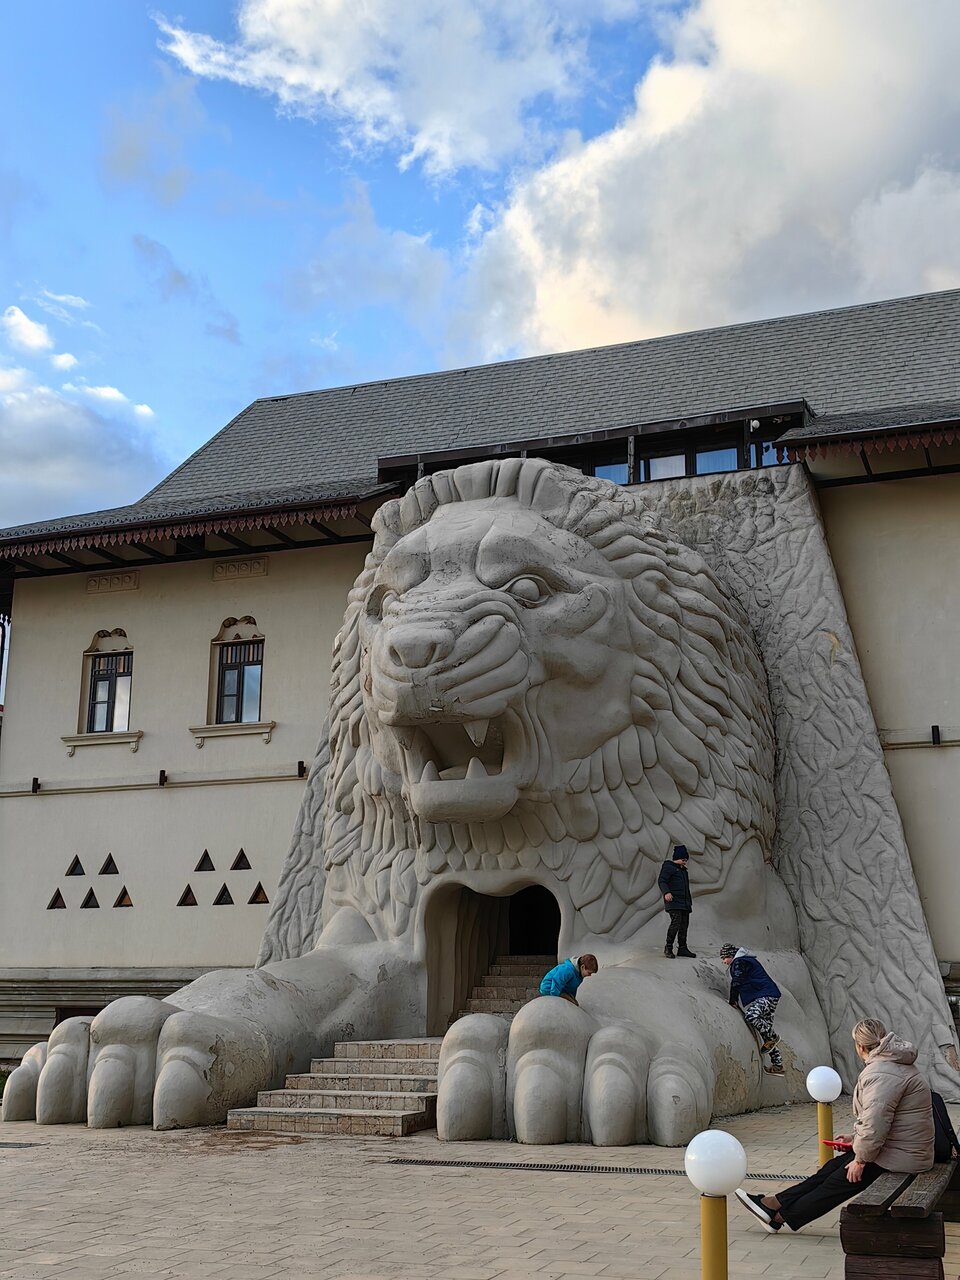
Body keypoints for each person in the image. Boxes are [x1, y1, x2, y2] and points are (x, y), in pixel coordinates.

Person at [736, 1018, 934, 1233]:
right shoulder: (895, 1064)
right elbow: (886, 1121)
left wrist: (860, 1160)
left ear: (860, 1046)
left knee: (839, 1181)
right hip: (903, 1150)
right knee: (831, 1169)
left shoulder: (881, 1073)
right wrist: (854, 1139)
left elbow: (875, 1124)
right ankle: (773, 1204)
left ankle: (779, 1216)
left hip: (902, 1158)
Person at [721, 943, 784, 1076]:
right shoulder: (744, 960)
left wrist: (732, 1000)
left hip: (766, 995)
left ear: (731, 955)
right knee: (765, 1033)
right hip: (770, 994)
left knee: (752, 1016)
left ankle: (773, 1037)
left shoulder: (739, 962)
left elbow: (737, 981)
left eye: (724, 958)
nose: (723, 962)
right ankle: (778, 1065)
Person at [658, 845, 696, 958]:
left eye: (686, 860)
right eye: (683, 859)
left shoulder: (684, 871)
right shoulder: (668, 867)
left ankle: (682, 948)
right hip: (673, 901)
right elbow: (662, 881)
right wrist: (666, 892)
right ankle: (668, 947)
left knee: (684, 925)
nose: (685, 862)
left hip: (684, 902)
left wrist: (688, 901)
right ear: (677, 858)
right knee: (676, 923)